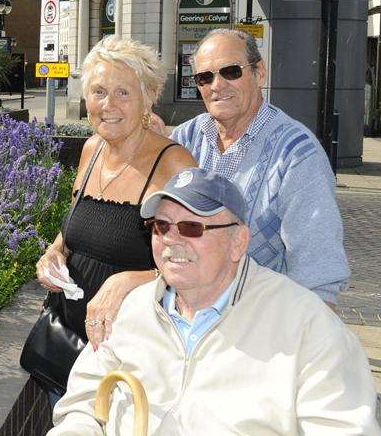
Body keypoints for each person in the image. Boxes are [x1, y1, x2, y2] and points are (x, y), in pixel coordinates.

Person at [47, 168, 379, 435]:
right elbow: (82, 402)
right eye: (161, 226)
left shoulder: (307, 326)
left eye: (192, 227)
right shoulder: (132, 308)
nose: (170, 240)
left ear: (238, 241)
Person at [33, 36, 196, 406]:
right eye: (99, 91)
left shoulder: (174, 165)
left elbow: (201, 260)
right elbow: (76, 227)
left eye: (123, 92)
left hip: (132, 366)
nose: (109, 105)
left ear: (149, 97)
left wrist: (134, 280)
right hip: (67, 345)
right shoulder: (91, 150)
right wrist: (54, 252)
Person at [170, 29, 349, 304]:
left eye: (230, 71)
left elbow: (317, 270)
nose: (217, 85)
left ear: (259, 72)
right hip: (184, 314)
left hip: (259, 320)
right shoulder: (184, 139)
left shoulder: (296, 154)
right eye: (205, 77)